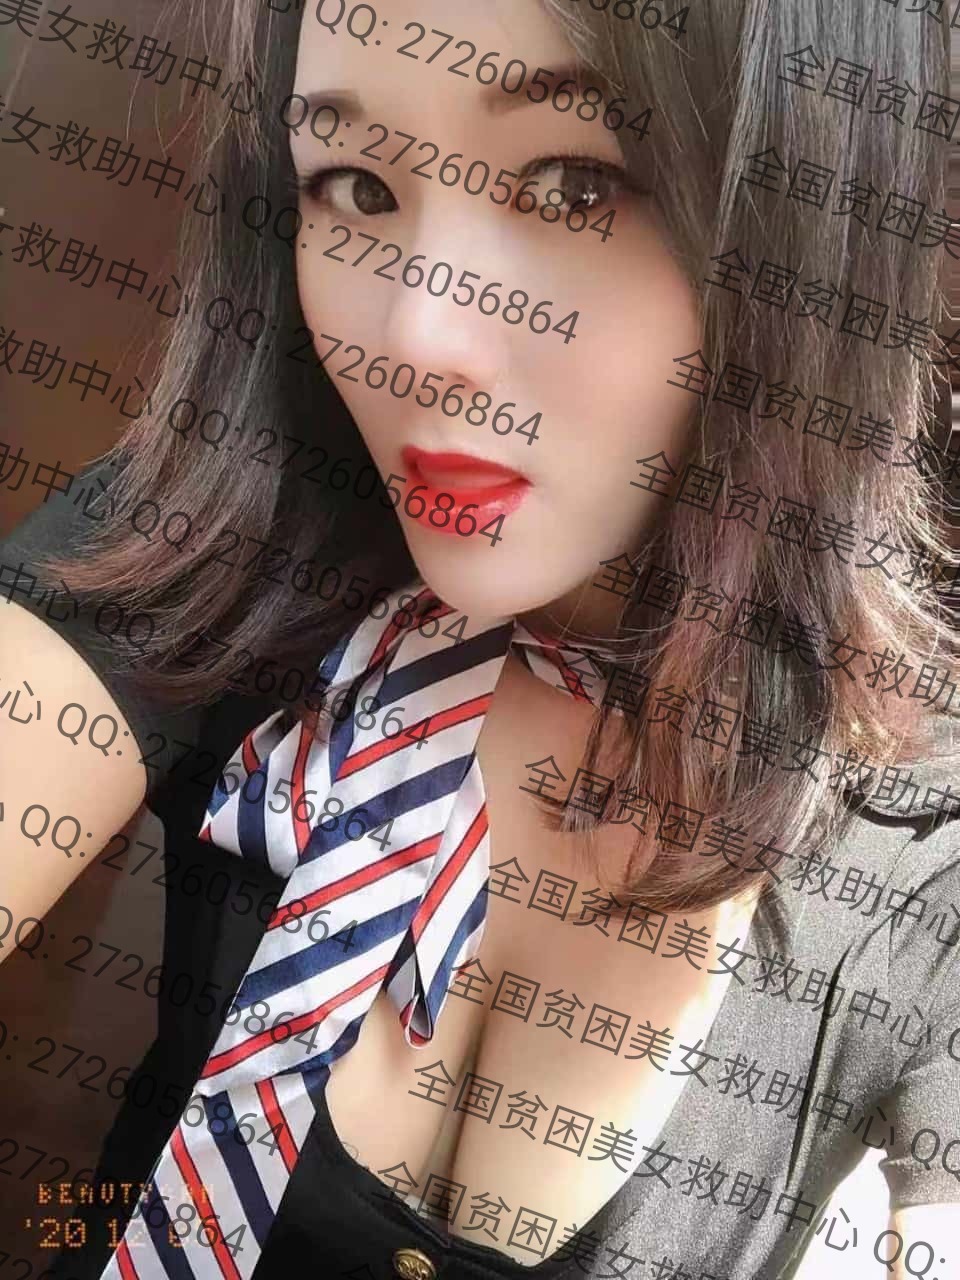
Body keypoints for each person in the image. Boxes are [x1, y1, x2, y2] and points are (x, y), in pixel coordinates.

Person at [2, 0, 958, 1276]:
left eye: (573, 186)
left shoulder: (922, 832)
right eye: (355, 186)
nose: (418, 341)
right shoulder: (227, 541)